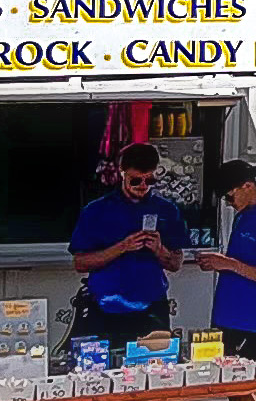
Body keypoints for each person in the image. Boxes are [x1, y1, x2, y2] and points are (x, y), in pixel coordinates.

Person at [189, 160, 256, 401]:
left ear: (247, 186)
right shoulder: (244, 214)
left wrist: (228, 264)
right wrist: (220, 264)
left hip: (248, 318)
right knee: (232, 382)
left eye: (229, 195)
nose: (228, 202)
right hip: (229, 313)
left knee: (247, 381)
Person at [69, 142, 186, 345]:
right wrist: (122, 247)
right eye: (135, 181)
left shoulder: (167, 210)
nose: (143, 186)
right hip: (106, 306)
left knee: (157, 369)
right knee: (103, 372)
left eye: (149, 180)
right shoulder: (96, 211)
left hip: (152, 307)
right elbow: (81, 263)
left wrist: (159, 250)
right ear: (122, 174)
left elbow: (175, 263)